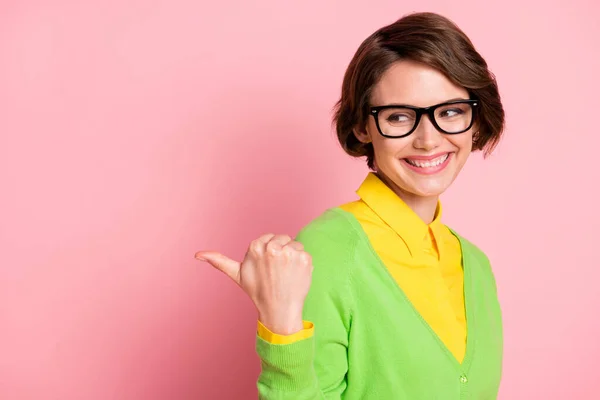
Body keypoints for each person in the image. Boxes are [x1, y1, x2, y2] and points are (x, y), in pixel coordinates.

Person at [195, 11, 504, 399]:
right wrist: (281, 324)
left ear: (475, 118)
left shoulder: (476, 265)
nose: (428, 139)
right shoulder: (330, 248)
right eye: (398, 116)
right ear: (363, 127)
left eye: (450, 112)